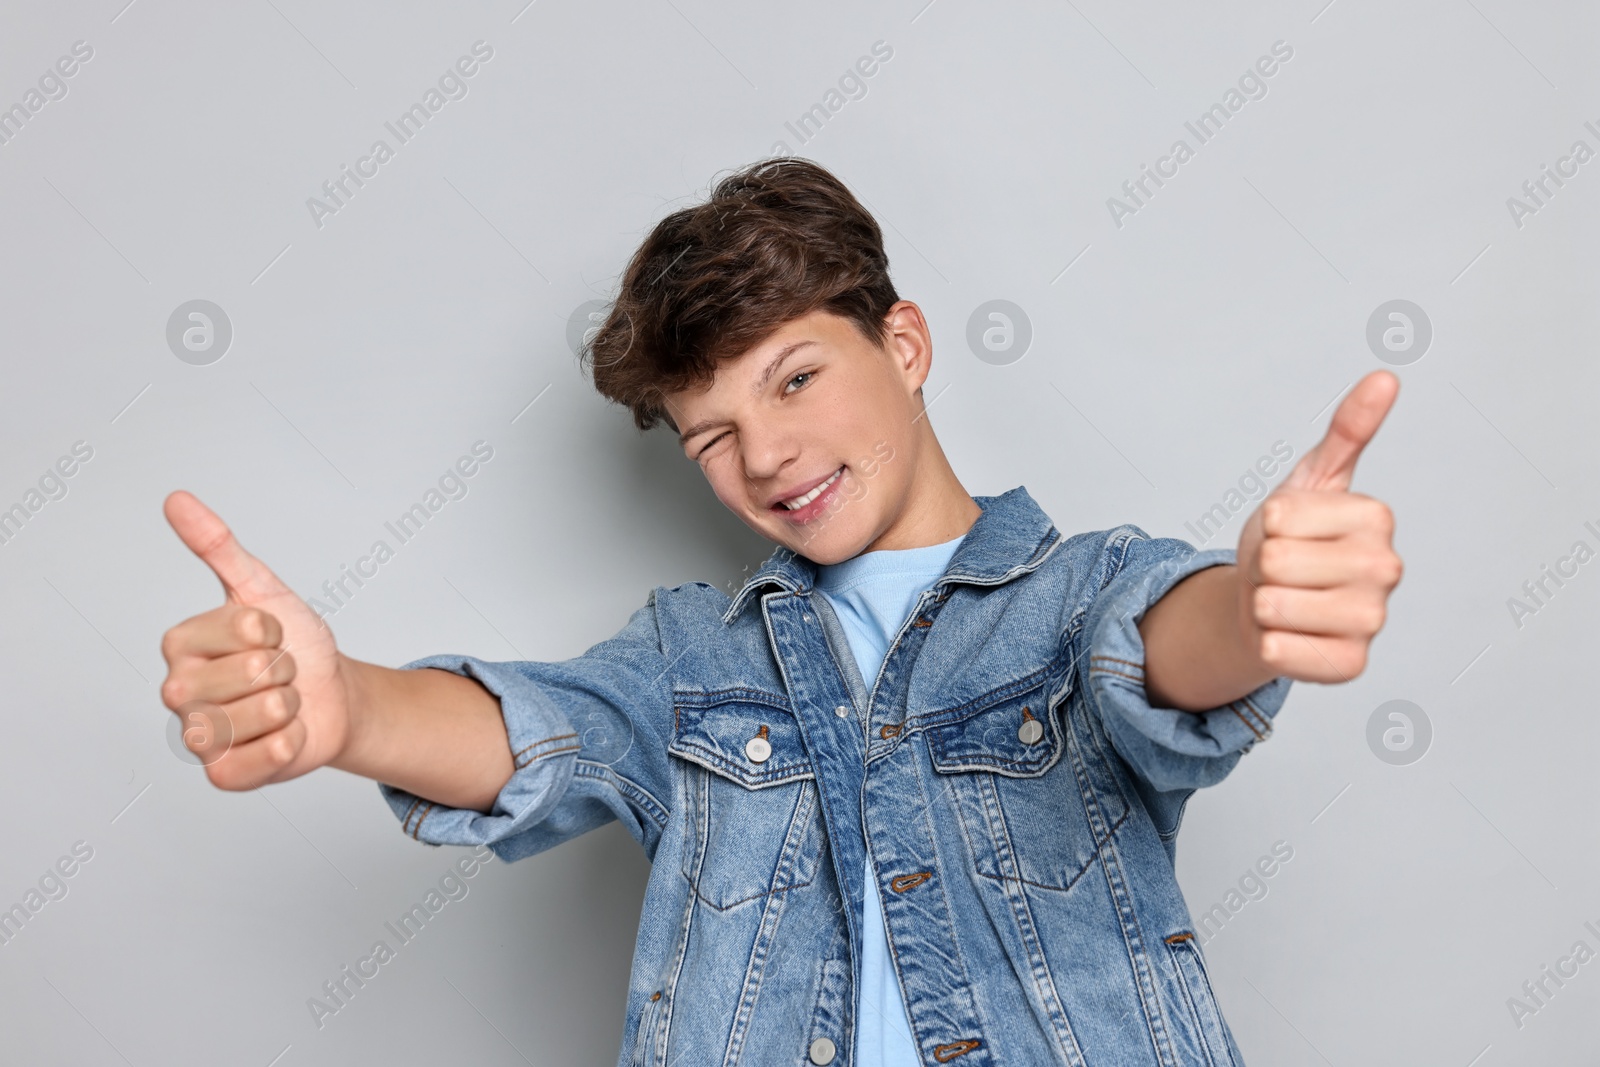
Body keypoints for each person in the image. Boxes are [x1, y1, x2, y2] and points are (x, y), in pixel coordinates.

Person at [158, 158, 1402, 1066]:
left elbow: (1167, 643)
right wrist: (348, 707)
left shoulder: (1073, 597)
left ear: (903, 344)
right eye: (714, 434)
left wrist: (1258, 602)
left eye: (796, 377)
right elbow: (532, 728)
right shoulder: (694, 659)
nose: (769, 454)